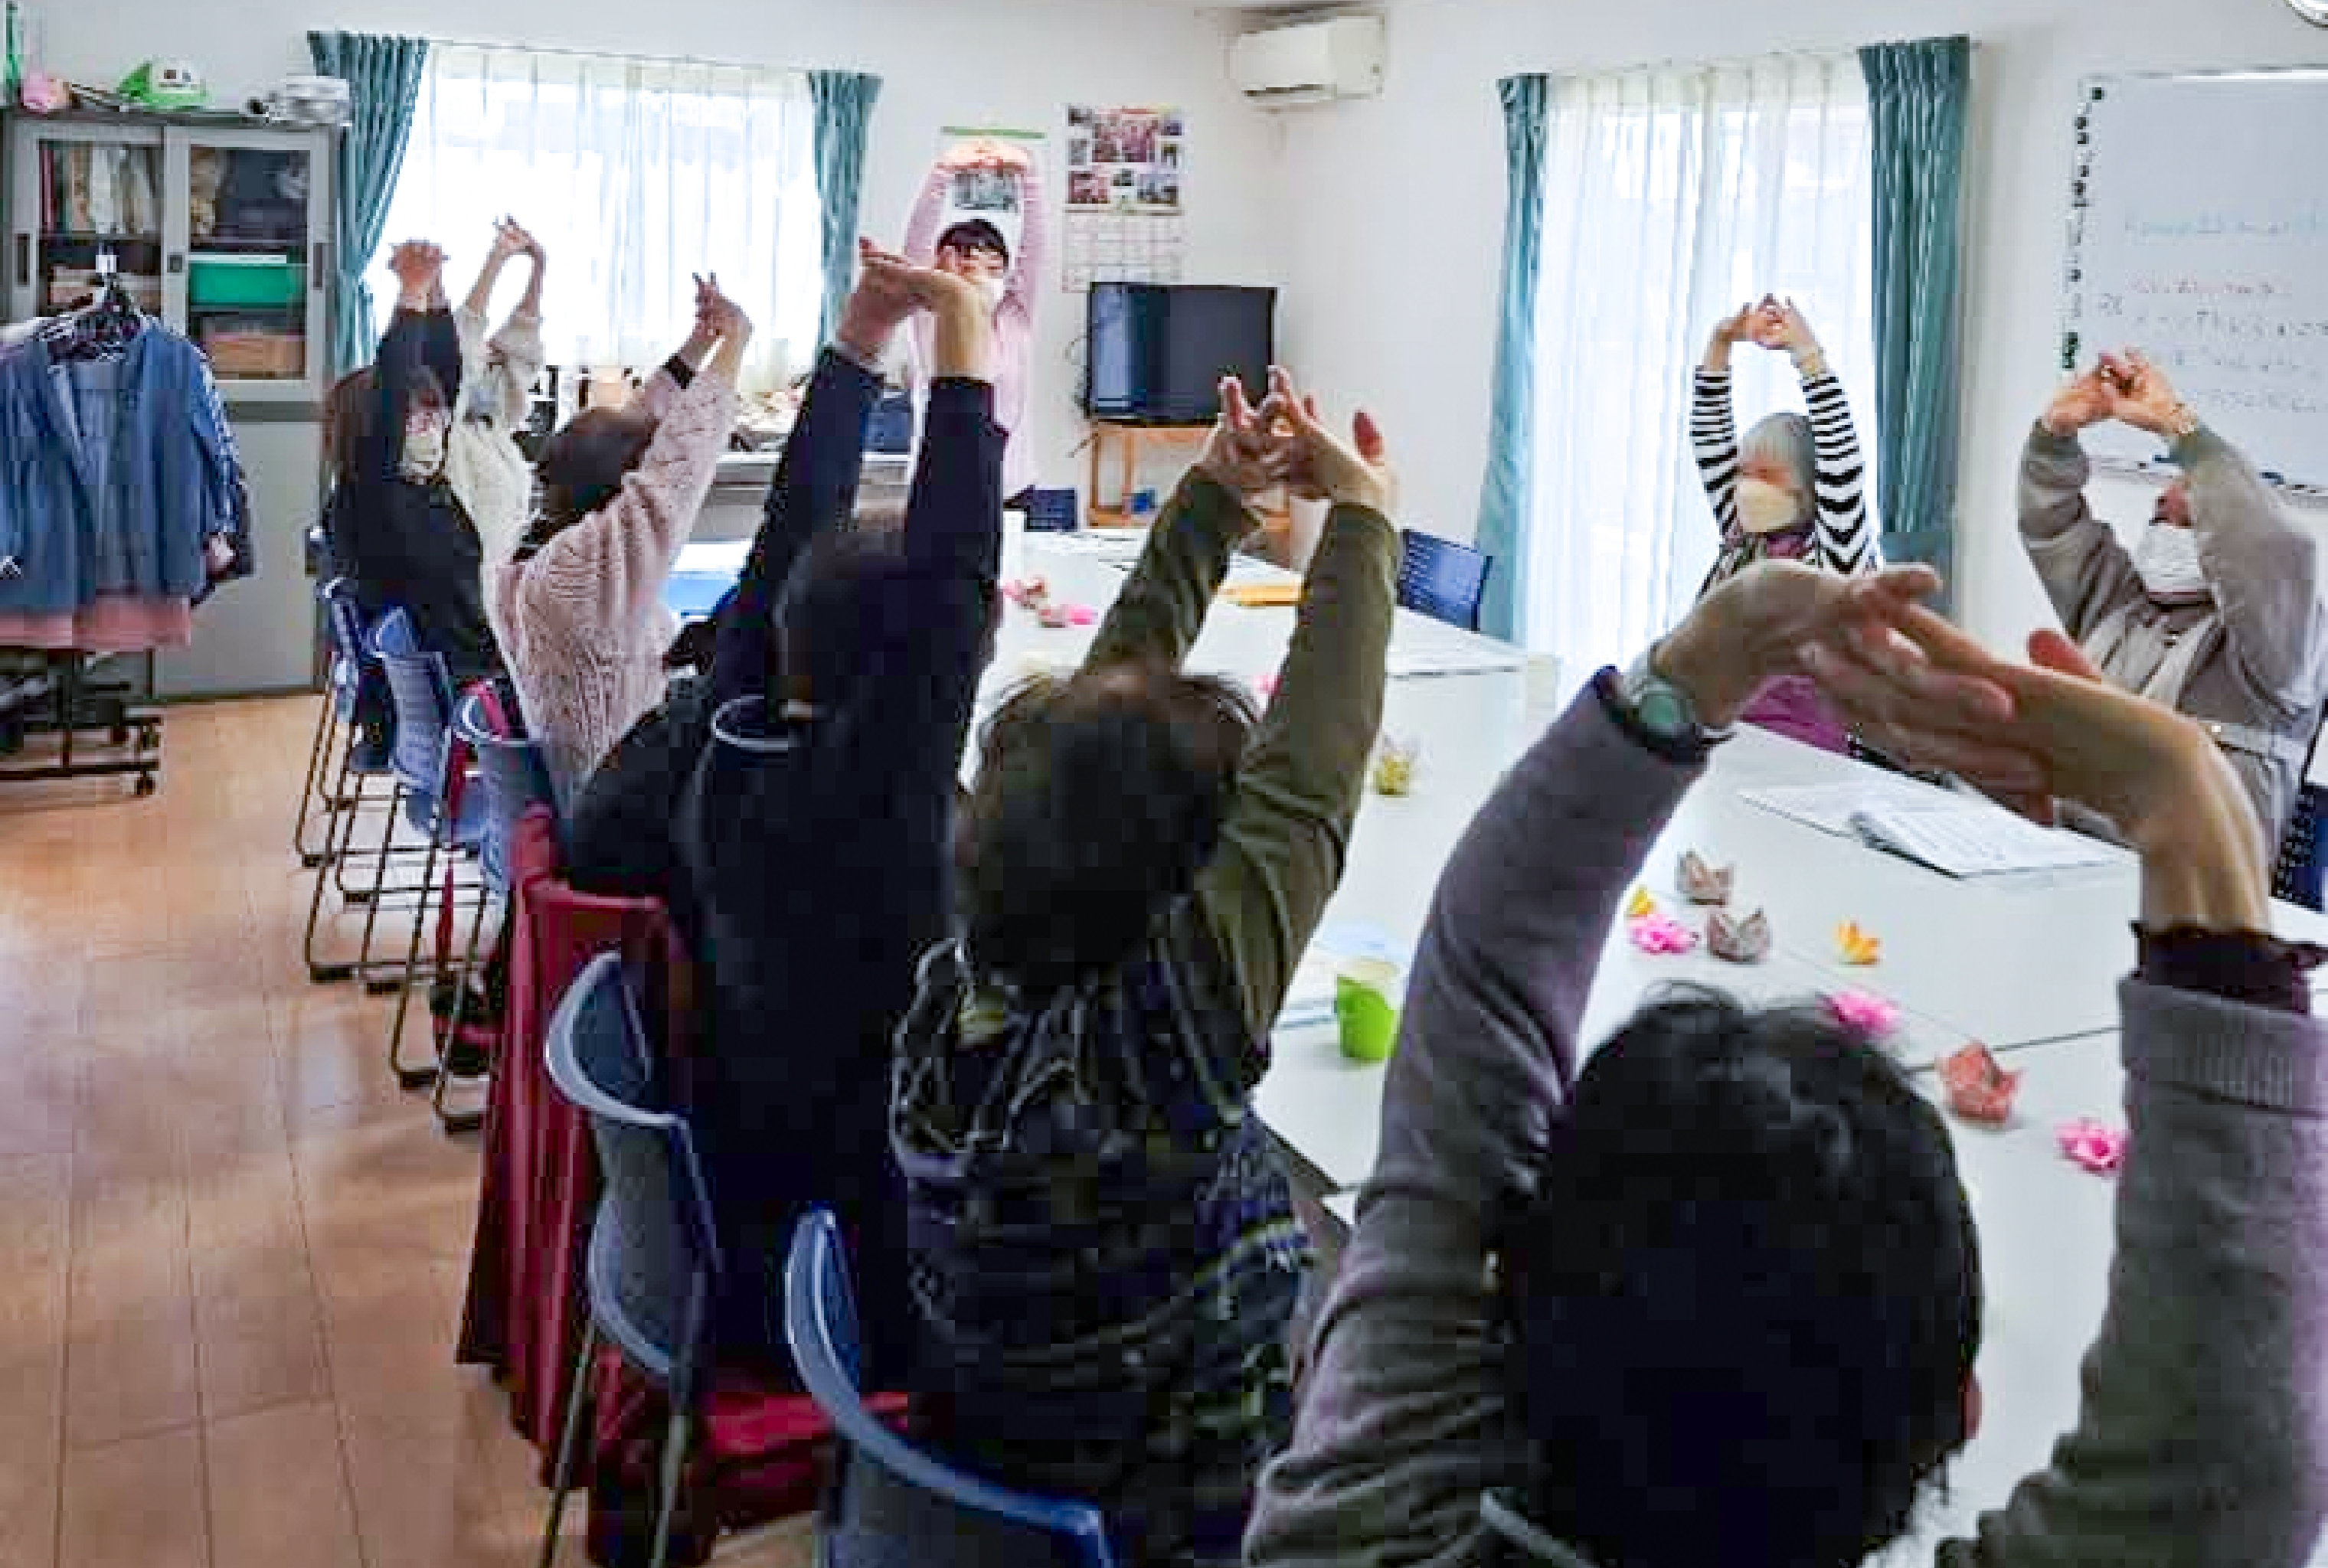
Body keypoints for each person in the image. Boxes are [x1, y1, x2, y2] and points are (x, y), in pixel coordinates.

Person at [1246, 559, 2328, 1568]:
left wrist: (1703, 660)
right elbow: (2230, 1475)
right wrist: (2193, 794)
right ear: (1964, 1415)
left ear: (1503, 1304)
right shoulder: (1371, 1486)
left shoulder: (1359, 1517)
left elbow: (1487, 969)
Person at [886, 368, 1397, 1567]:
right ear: (1183, 885)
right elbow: (1308, 784)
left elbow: (1077, 762)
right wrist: (1365, 520)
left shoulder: (956, 996)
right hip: (1180, 1529)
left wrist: (1214, 500)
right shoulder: (1149, 1062)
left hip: (995, 1460)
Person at [567, 246, 999, 1387]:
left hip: (759, 1189)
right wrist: (961, 354)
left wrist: (861, 345)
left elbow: (784, 550)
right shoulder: (874, 820)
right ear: (898, 687)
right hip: (862, 1267)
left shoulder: (728, 742)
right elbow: (955, 583)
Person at [2016, 348, 2328, 851]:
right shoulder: (2122, 608)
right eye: (2161, 514)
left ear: (2222, 541)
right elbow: (2051, 526)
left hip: (2191, 897)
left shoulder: (2278, 647)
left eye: (2190, 521)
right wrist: (2052, 440)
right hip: (2068, 860)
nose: (2166, 523)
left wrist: (2181, 432)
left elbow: (2269, 548)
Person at [487, 274, 748, 801]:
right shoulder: (582, 572)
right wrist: (737, 340)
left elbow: (632, 424)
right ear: (619, 484)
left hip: (603, 790)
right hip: (617, 807)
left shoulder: (545, 542)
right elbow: (677, 465)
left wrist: (703, 340)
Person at [1690, 296, 1875, 752]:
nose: (1748, 487)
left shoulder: (1836, 558)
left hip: (1807, 756)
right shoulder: (1743, 539)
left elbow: (1840, 455)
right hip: (1725, 738)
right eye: (1744, 473)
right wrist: (1721, 343)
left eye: (1768, 475)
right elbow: (1708, 437)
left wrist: (1807, 354)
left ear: (1808, 488)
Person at [322, 240, 499, 687]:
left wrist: (436, 294)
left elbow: (442, 377)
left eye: (433, 414)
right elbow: (392, 394)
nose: (432, 426)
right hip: (456, 684)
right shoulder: (373, 495)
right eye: (414, 416)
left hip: (456, 672)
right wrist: (410, 293)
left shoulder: (418, 488)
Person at [904, 137, 1050, 501]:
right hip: (942, 484)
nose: (977, 269)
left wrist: (1028, 176)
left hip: (1013, 484)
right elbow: (916, 250)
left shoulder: (1015, 316)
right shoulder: (931, 319)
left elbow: (1035, 250)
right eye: (964, 260)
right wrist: (943, 171)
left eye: (989, 260)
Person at [448, 216, 548, 573]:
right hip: (467, 564)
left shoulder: (497, 423)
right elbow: (467, 327)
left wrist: (539, 266)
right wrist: (496, 260)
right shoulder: (449, 425)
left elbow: (525, 337)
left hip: (496, 560)